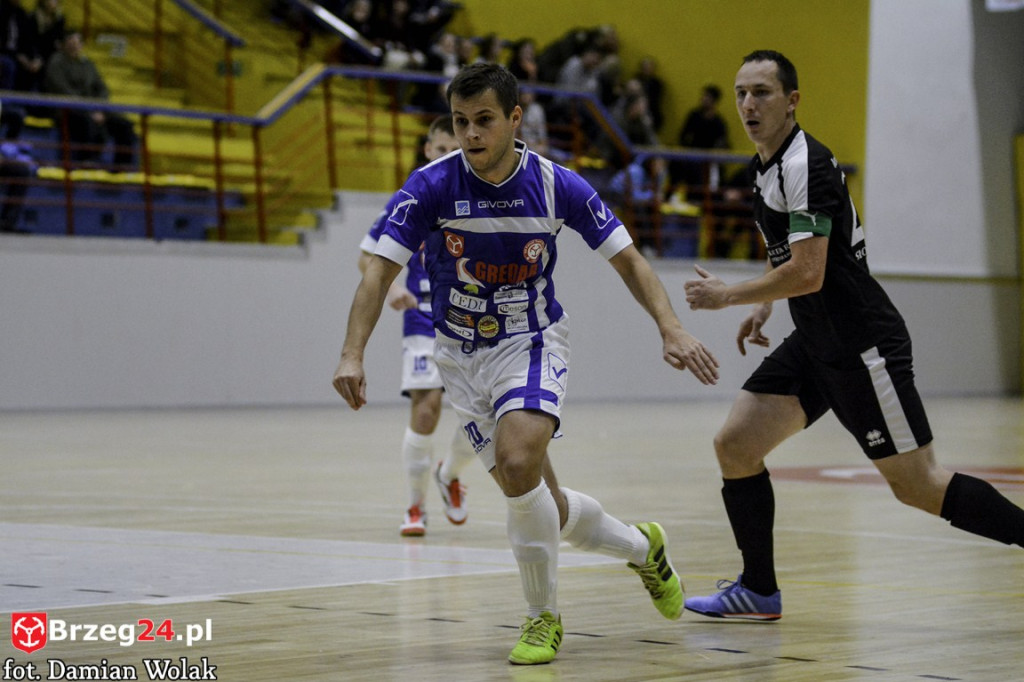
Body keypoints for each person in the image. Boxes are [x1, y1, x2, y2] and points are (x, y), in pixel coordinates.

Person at [334, 62, 719, 665]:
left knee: (517, 462)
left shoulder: (557, 184)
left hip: (531, 342)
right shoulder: (431, 185)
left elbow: (632, 262)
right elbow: (378, 271)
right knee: (546, 505)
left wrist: (669, 326)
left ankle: (543, 620)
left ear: (516, 120)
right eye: (461, 122)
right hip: (460, 358)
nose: (470, 134)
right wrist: (352, 352)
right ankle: (644, 549)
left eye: (484, 120)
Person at [682, 50, 1024, 621]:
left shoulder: (805, 165)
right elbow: (789, 257)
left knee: (917, 486)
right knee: (736, 445)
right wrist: (766, 306)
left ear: (792, 101)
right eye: (741, 92)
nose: (748, 104)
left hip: (862, 345)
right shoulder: (763, 166)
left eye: (762, 92)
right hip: (816, 340)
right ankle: (759, 590)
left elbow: (810, 271)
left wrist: (729, 296)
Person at [359, 114, 476, 536]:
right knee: (427, 407)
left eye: (455, 150)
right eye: (440, 149)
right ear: (428, 150)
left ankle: (450, 474)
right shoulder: (412, 194)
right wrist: (390, 290)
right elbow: (369, 257)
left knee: (485, 418)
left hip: (475, 321)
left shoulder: (479, 192)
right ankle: (414, 506)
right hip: (423, 318)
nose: (447, 157)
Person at [43, 30, 137, 168]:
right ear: (63, 45)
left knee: (125, 124)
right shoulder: (56, 62)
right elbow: (62, 90)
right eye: (71, 43)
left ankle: (122, 167)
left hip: (94, 108)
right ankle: (87, 161)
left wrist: (99, 108)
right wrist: (89, 109)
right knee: (87, 121)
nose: (75, 46)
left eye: (77, 43)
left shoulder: (88, 64)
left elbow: (102, 89)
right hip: (67, 109)